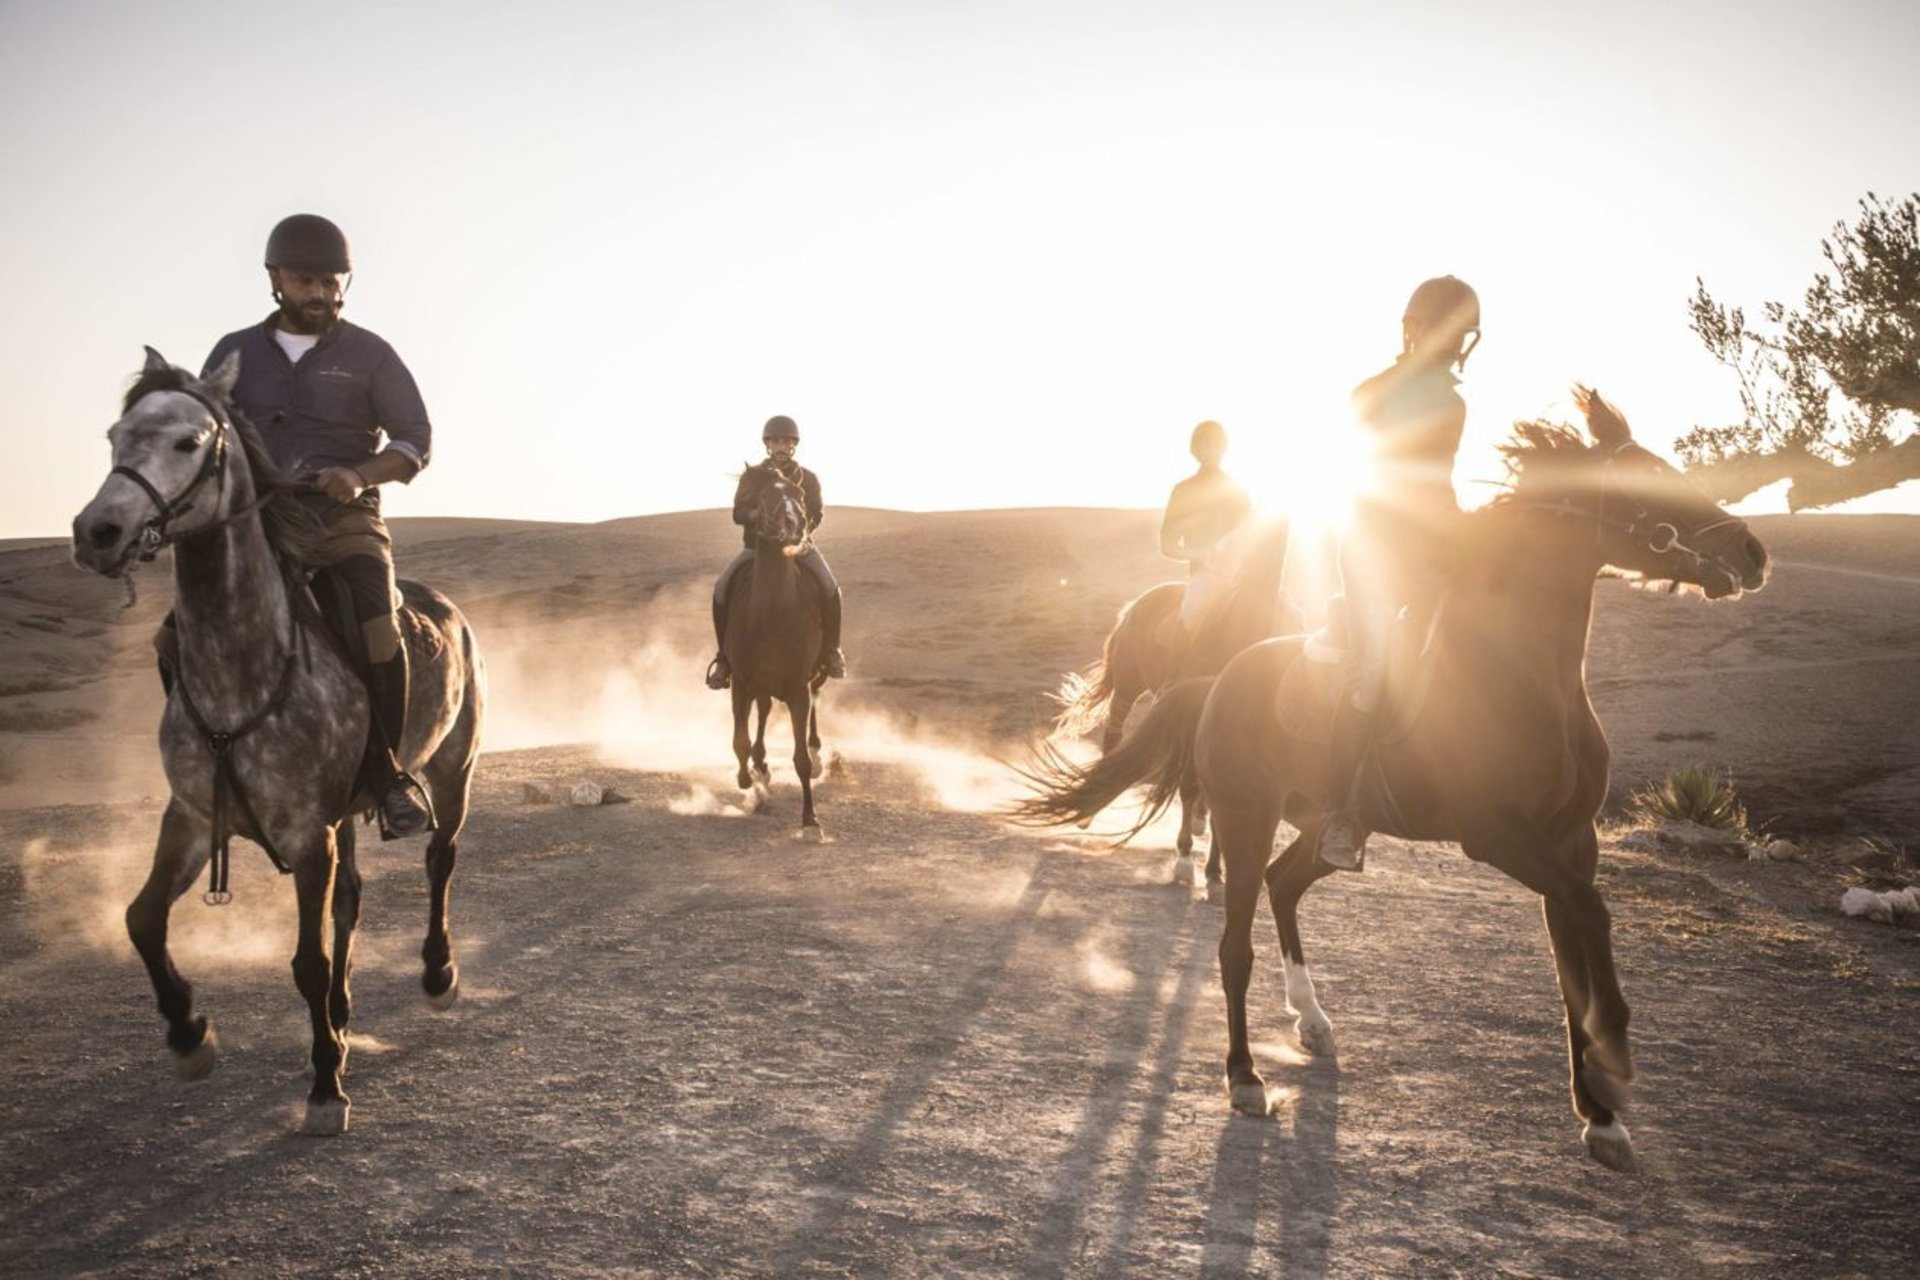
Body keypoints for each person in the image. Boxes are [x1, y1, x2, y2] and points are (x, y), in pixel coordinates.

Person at [159, 213, 437, 838]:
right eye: (308, 281)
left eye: (332, 282)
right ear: (276, 279)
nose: (321, 294)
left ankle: (387, 773)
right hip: (254, 525)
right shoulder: (232, 353)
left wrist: (361, 475)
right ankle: (204, 757)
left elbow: (416, 440)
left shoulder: (371, 354)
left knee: (376, 626)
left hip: (343, 520)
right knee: (173, 634)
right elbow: (205, 435)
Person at [1317, 275, 1480, 870]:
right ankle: (1340, 813)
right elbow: (1376, 472)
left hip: (1430, 548)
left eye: (1463, 334)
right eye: (1447, 330)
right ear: (1413, 331)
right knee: (1373, 665)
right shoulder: (1373, 392)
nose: (1455, 343)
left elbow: (1436, 483)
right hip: (1372, 547)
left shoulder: (1455, 402)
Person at [705, 415, 846, 689]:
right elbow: (738, 513)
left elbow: (816, 513)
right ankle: (723, 660)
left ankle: (832, 651)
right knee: (721, 588)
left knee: (831, 588)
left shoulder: (809, 479)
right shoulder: (752, 477)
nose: (781, 446)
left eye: (786, 441)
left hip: (799, 547)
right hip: (756, 548)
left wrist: (801, 532)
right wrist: (762, 515)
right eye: (776, 441)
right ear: (768, 444)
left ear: (794, 445)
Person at [1159, 420, 1254, 641]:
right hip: (1204, 576)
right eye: (1206, 444)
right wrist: (1201, 553)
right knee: (1191, 619)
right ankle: (1175, 673)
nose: (1212, 450)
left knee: (1291, 614)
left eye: (1217, 444)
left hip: (1242, 576)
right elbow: (1167, 545)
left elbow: (1252, 534)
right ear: (1195, 449)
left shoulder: (1238, 488)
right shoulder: (1183, 490)